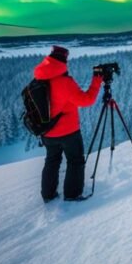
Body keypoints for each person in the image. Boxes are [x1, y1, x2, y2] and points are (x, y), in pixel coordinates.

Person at [34, 45, 102, 202]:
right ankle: (72, 194)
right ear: (63, 61)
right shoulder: (64, 82)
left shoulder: (40, 78)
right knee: (75, 161)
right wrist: (97, 81)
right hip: (68, 132)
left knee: (52, 161)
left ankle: (48, 194)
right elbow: (87, 100)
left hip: (47, 131)